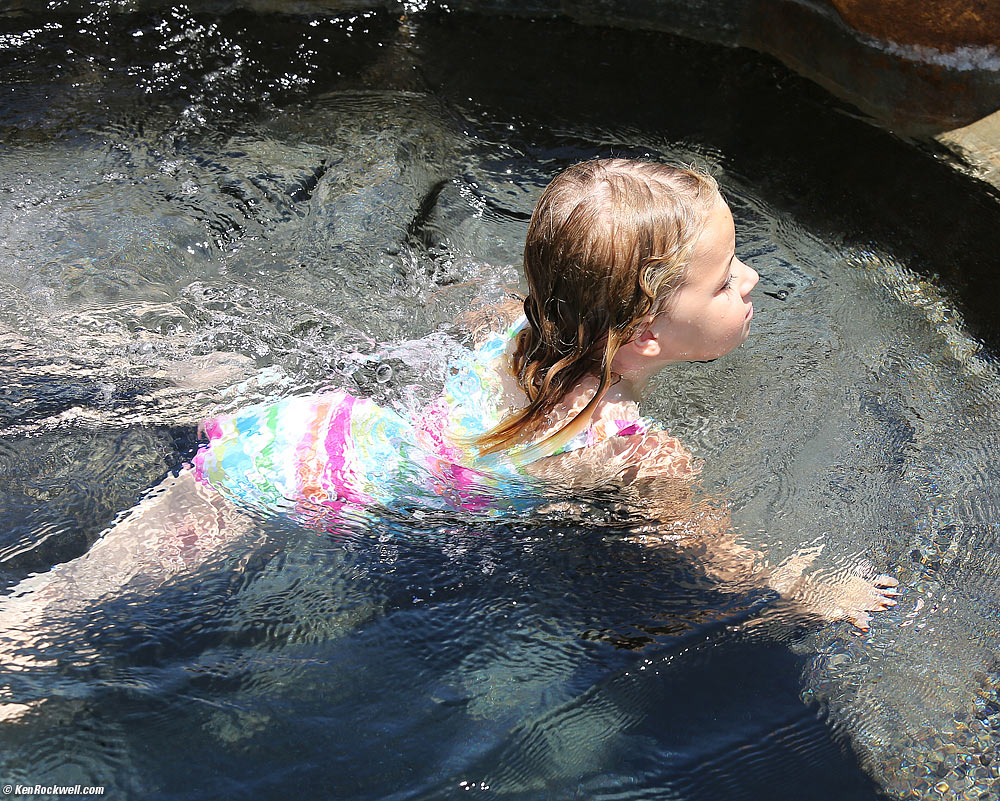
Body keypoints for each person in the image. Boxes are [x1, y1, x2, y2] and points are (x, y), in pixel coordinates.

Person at [0, 159, 898, 718]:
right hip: (275, 486)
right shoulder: (632, 451)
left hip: (310, 424)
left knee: (81, 583)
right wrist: (810, 589)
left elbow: (481, 305)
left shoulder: (522, 324)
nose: (747, 279)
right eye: (723, 279)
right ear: (646, 339)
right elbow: (716, 559)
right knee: (51, 627)